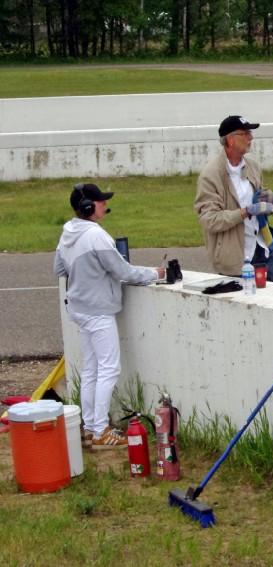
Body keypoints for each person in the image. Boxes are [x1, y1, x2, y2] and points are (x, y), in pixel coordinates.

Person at [53, 183, 165, 448]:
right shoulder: (96, 235)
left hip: (79, 308)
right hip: (98, 310)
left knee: (91, 369)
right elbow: (123, 272)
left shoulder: (67, 232)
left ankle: (91, 427)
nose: (105, 204)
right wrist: (154, 273)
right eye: (100, 201)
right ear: (89, 207)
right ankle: (101, 429)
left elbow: (59, 267)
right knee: (109, 368)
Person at [195, 115, 273, 283]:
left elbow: (258, 195)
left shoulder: (253, 166)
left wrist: (269, 198)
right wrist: (245, 212)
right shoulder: (211, 175)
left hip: (263, 249)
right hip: (236, 258)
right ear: (229, 140)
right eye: (244, 133)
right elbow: (210, 220)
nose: (251, 137)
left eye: (250, 133)